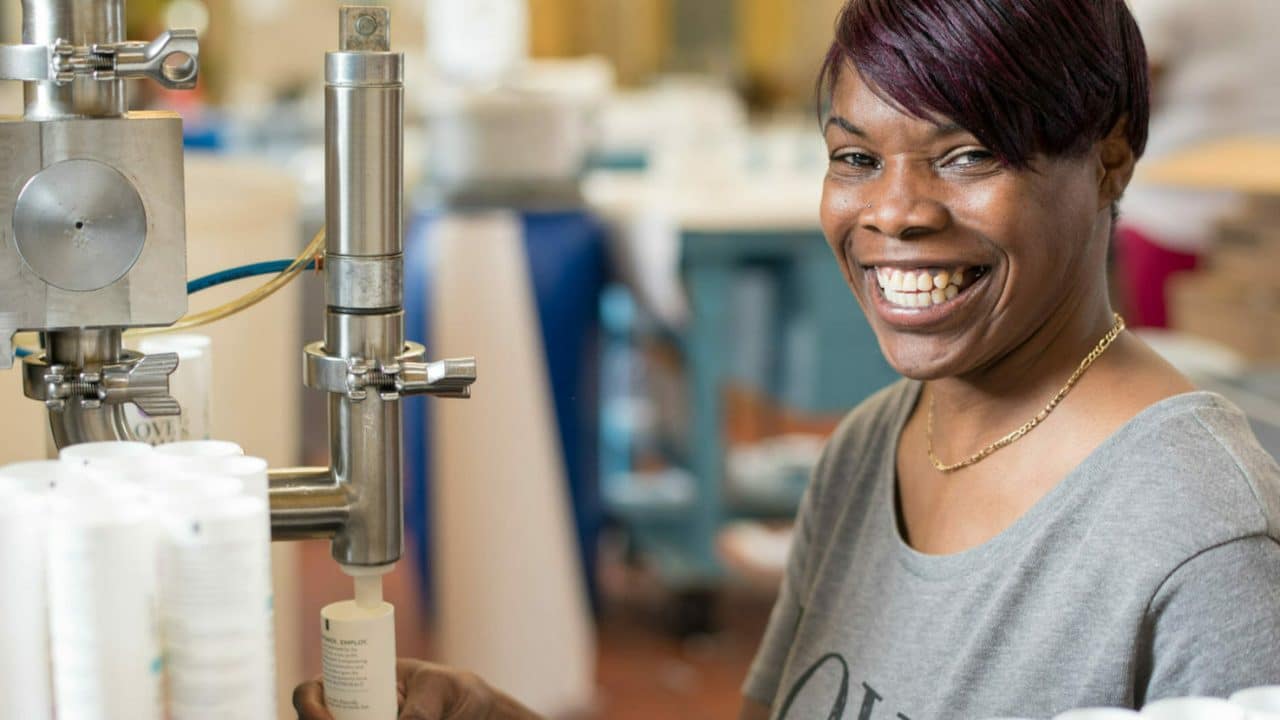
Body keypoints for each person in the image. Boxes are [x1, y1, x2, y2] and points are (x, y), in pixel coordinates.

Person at [297, 0, 1280, 717]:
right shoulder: (872, 448)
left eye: (967, 154)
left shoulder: (1198, 535)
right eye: (855, 157)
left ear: (1110, 155)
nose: (893, 211)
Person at [1116, 0, 1280, 328]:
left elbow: (1130, 101)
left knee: (1166, 346)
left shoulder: (1165, 7)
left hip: (1172, 211)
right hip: (1259, 205)